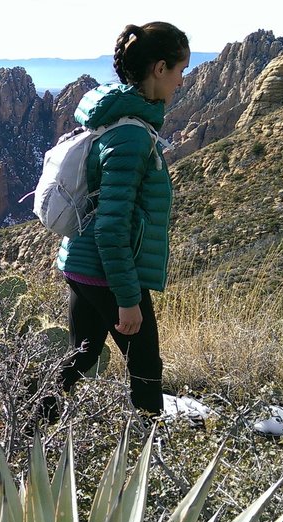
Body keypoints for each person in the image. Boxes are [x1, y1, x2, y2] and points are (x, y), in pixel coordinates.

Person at [53, 21, 190, 417]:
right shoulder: (131, 136)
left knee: (81, 356)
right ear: (159, 68)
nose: (182, 81)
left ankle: (25, 425)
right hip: (108, 271)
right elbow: (112, 227)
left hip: (82, 263)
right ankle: (150, 453)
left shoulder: (116, 118)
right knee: (146, 367)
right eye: (180, 70)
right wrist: (129, 301)